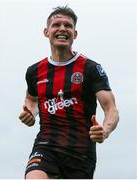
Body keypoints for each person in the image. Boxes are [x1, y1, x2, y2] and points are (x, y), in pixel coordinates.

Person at [19, 6, 119, 179]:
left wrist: (105, 130)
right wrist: (31, 113)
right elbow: (32, 99)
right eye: (56, 24)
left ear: (75, 33)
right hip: (46, 147)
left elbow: (111, 108)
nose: (62, 28)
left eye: (68, 25)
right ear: (46, 32)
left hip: (81, 153)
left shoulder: (91, 68)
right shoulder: (34, 71)